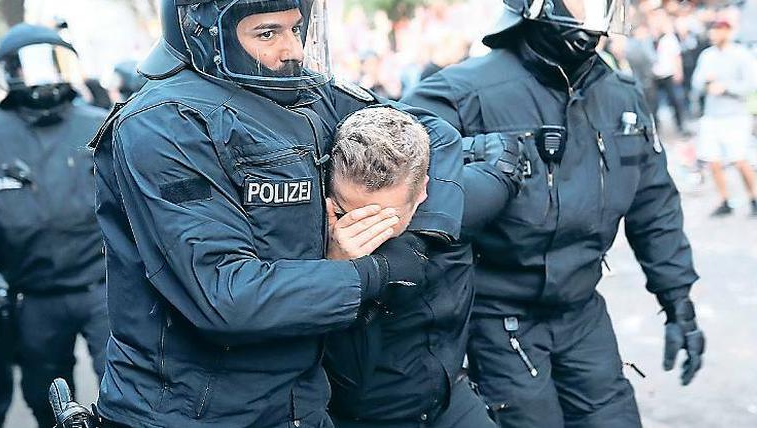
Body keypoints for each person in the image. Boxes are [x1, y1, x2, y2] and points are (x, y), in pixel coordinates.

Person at [87, 0, 488, 426]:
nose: (292, 49)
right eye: (267, 33)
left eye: (295, 29)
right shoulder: (161, 124)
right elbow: (224, 295)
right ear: (204, 33)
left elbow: (430, 134)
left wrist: (413, 233)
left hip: (302, 398)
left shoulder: (305, 93)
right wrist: (373, 272)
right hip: (192, 413)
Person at [403, 1, 705, 426]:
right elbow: (395, 182)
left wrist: (678, 302)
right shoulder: (460, 93)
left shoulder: (620, 96)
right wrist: (475, 157)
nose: (596, 11)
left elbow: (655, 206)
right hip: (498, 321)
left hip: (582, 313)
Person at [0, 23, 110, 428]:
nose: (42, 76)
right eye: (28, 66)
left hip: (105, 285)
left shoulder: (101, 124)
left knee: (127, 383)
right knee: (45, 394)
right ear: (8, 72)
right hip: (33, 294)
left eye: (53, 62)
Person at [322, 106, 508, 428]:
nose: (363, 230)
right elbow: (347, 383)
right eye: (345, 212)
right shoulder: (316, 231)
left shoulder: (454, 204)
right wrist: (340, 274)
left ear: (423, 192)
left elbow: (504, 173)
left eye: (384, 218)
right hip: (368, 416)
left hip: (448, 399)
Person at [691, 19, 757, 217]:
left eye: (718, 31)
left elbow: (751, 85)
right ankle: (724, 200)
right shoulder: (707, 56)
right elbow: (696, 83)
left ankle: (753, 197)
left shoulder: (741, 55)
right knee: (713, 161)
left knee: (739, 160)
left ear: (728, 32)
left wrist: (726, 88)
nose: (714, 35)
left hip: (735, 116)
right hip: (712, 115)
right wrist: (706, 82)